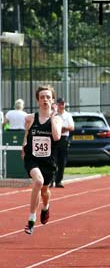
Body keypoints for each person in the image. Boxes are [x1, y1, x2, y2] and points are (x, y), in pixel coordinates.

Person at [21, 86, 62, 235]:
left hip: (48, 161)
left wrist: (52, 118)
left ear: (52, 100)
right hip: (32, 158)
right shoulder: (30, 118)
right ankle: (31, 220)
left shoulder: (57, 119)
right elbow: (27, 133)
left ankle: (46, 207)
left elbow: (57, 137)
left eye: (48, 97)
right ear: (38, 100)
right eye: (42, 97)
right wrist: (24, 146)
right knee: (37, 182)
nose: (45, 100)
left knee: (45, 190)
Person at [52, 97, 74, 187]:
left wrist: (63, 129)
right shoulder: (53, 114)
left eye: (63, 103)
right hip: (54, 139)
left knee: (62, 161)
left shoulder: (68, 115)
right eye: (60, 103)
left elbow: (72, 127)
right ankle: (50, 180)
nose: (62, 105)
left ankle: (58, 181)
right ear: (56, 105)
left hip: (63, 139)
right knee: (53, 160)